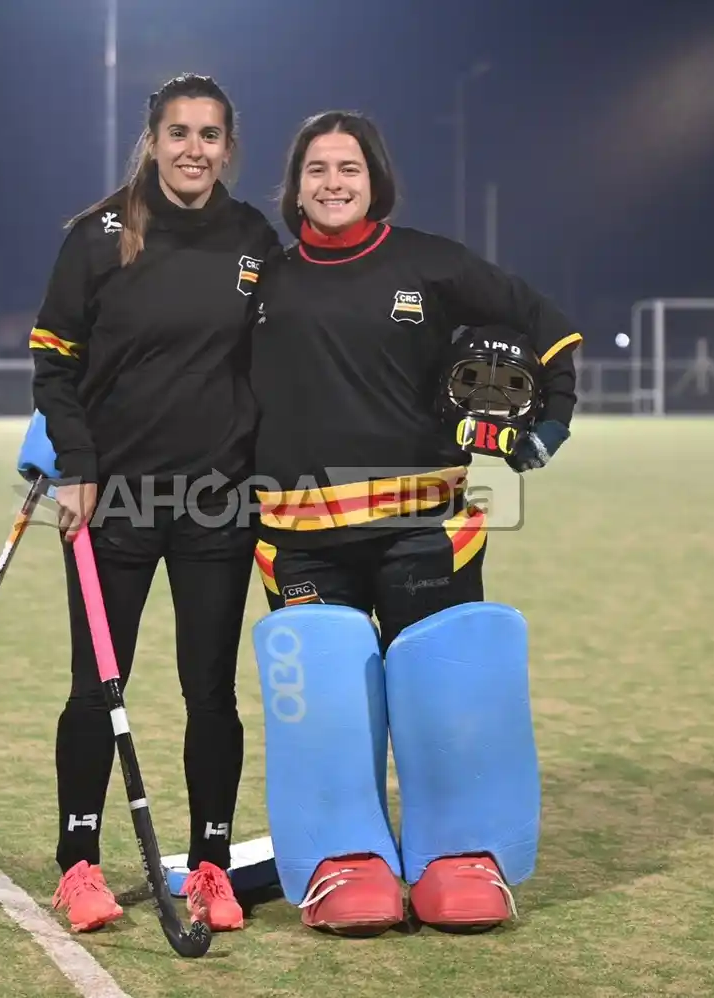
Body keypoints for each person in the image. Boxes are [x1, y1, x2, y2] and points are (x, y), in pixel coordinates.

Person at [245, 110, 581, 937]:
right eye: (316, 169)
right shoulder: (263, 281)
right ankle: (343, 858)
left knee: (444, 689)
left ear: (374, 178)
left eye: (348, 168)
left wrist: (552, 418)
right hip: (300, 534)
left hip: (424, 527)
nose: (332, 182)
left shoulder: (430, 263)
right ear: (294, 186)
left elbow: (542, 319)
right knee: (327, 699)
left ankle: (457, 855)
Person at [27, 72, 279, 935]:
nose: (194, 150)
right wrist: (75, 463)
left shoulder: (253, 238)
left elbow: (281, 360)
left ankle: (211, 866)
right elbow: (54, 362)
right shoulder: (96, 238)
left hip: (218, 504)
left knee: (210, 693)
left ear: (228, 147)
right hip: (112, 504)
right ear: (152, 141)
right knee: (97, 688)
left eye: (210, 135)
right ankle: (80, 864)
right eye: (179, 134)